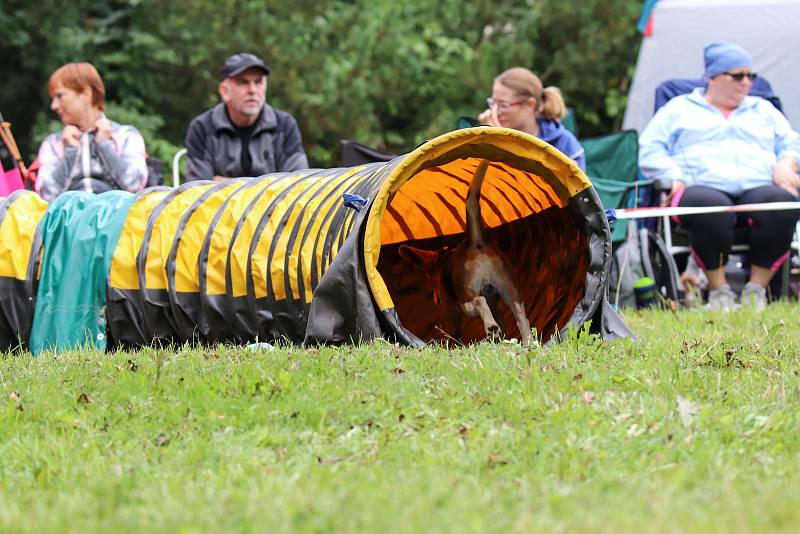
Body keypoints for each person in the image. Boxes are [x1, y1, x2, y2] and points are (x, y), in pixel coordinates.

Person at [639, 41, 800, 311]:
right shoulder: (679, 108)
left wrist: (786, 162)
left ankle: (756, 290)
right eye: (737, 75)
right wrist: (672, 175)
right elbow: (650, 150)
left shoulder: (762, 109)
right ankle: (718, 290)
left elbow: (791, 143)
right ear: (712, 77)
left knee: (780, 203)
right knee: (708, 205)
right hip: (701, 185)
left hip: (758, 184)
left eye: (751, 76)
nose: (746, 82)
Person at [185, 52, 309, 181]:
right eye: (243, 82)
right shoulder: (202, 127)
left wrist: (223, 183)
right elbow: (199, 193)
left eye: (258, 82)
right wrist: (269, 186)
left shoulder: (285, 125)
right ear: (224, 91)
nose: (252, 90)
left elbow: (297, 187)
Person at [36, 63, 148, 201]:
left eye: (60, 96)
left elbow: (135, 185)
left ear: (86, 94)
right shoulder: (54, 143)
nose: (54, 105)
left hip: (116, 219)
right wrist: (70, 152)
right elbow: (46, 194)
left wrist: (104, 146)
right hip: (68, 220)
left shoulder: (125, 136)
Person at [477, 67, 585, 170]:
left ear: (530, 104)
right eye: (493, 103)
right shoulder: (485, 138)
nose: (495, 111)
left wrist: (503, 143)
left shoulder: (565, 144)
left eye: (503, 105)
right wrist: (491, 142)